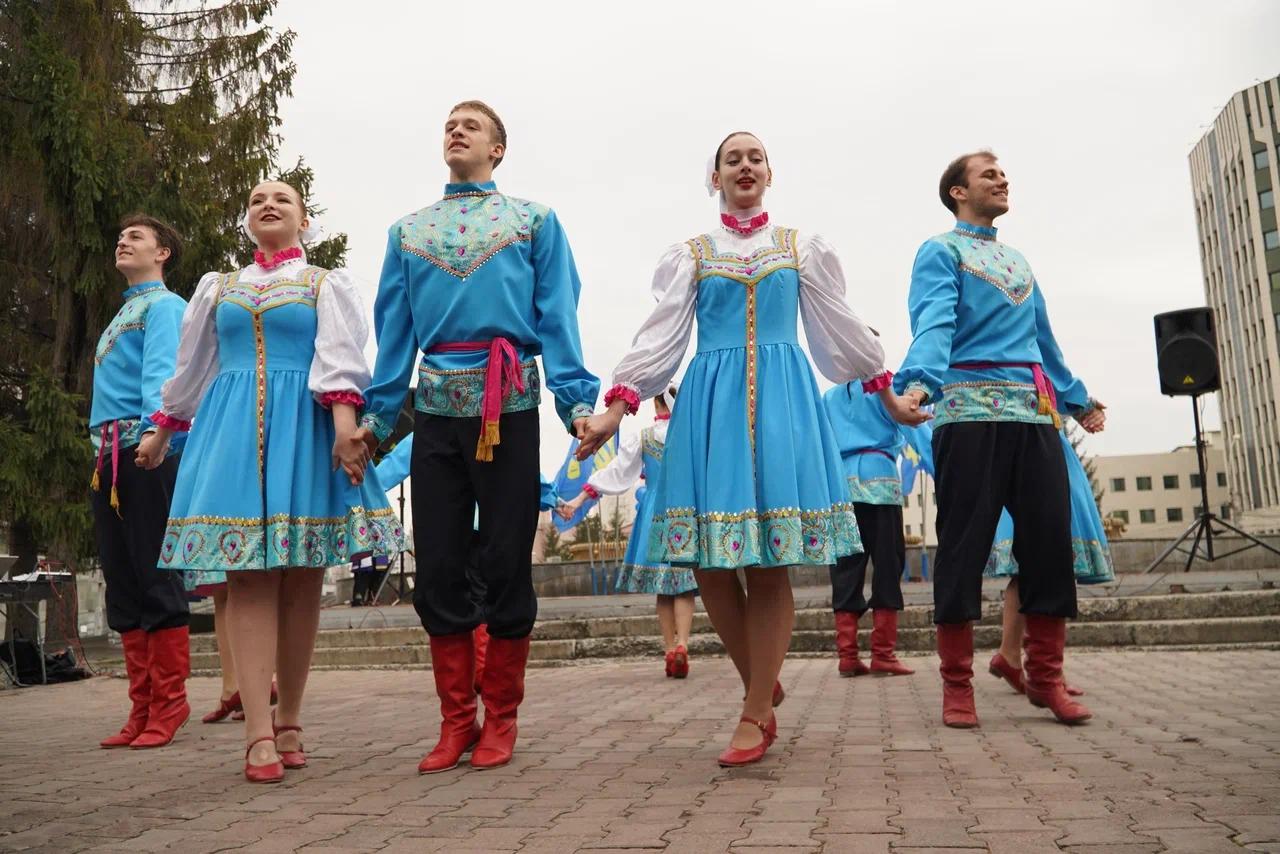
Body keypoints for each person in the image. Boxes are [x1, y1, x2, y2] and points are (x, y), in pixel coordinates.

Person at [582, 132, 924, 767]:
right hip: (708, 407)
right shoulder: (690, 254)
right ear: (714, 178)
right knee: (710, 562)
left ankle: (753, 709)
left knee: (768, 560)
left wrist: (890, 399)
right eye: (731, 158)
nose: (744, 165)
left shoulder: (801, 249)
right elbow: (660, 338)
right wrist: (615, 411)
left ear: (771, 173)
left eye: (755, 157)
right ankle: (762, 679)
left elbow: (842, 331)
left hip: (783, 403)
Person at [357, 100, 599, 774]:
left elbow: (558, 316)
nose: (456, 130)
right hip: (435, 406)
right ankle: (455, 722)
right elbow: (394, 332)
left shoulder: (534, 221)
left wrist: (577, 402)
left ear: (498, 148)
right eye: (448, 125)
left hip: (510, 403)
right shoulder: (407, 232)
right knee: (435, 562)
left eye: (473, 125)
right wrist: (377, 423)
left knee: (502, 560)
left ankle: (503, 720)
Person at [147, 179, 403, 782]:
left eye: (283, 199)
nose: (269, 204)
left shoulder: (324, 284)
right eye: (258, 198)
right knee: (249, 578)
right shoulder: (220, 289)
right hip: (231, 432)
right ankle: (259, 733)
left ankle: (290, 718)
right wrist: (161, 431)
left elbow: (338, 361)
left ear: (303, 220)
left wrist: (347, 430)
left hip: (305, 430)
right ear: (246, 219)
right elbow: (193, 370)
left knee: (302, 581)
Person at [894, 150, 1105, 729]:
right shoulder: (941, 251)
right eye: (989, 174)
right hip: (967, 412)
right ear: (958, 192)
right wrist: (917, 385)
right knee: (962, 546)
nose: (1002, 179)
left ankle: (1046, 678)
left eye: (1004, 173)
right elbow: (934, 322)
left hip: (1034, 416)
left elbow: (1044, 339)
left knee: (1047, 546)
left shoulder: (1019, 261)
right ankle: (956, 686)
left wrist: (1076, 399)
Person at [91, 214, 192, 750]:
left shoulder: (165, 306)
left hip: (145, 451)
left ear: (163, 254)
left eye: (136, 237)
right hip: (106, 459)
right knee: (123, 579)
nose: (122, 241)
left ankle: (170, 705)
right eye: (120, 235)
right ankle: (141, 706)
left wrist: (157, 437)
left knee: (155, 573)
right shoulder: (123, 312)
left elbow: (163, 377)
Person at [559, 387, 698, 679]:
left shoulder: (644, 438)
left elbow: (617, 473)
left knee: (663, 587)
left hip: (653, 512)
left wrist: (579, 499)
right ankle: (684, 644)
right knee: (684, 584)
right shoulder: (689, 435)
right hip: (684, 510)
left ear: (655, 403)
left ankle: (670, 647)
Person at [986, 428, 1114, 695]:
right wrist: (1082, 403)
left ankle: (1012, 655)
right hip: (1039, 448)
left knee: (1032, 566)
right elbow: (1056, 385)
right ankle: (1041, 669)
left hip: (1027, 444)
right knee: (1048, 559)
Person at [821, 382, 927, 679]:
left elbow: (816, 442)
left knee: (845, 568)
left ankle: (847, 655)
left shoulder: (829, 398)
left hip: (843, 486)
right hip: (880, 482)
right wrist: (943, 468)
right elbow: (914, 429)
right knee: (888, 565)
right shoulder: (885, 391)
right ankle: (883, 654)